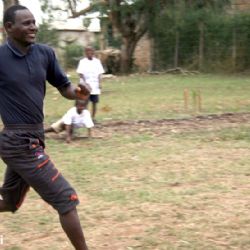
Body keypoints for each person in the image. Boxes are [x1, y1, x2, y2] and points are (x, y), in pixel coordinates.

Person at [0, 5, 90, 250]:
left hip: (34, 137)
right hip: (17, 141)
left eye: (34, 22)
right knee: (66, 199)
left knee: (8, 201)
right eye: (26, 23)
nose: (33, 27)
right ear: (9, 28)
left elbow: (64, 87)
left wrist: (79, 92)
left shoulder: (45, 54)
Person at [76, 46, 105, 122]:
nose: (89, 53)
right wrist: (85, 83)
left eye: (91, 51)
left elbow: (99, 74)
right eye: (87, 51)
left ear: (93, 52)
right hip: (84, 86)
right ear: (85, 53)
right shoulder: (82, 62)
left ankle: (93, 118)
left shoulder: (97, 61)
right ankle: (84, 118)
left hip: (95, 86)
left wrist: (100, 83)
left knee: (94, 102)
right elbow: (80, 74)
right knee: (84, 102)